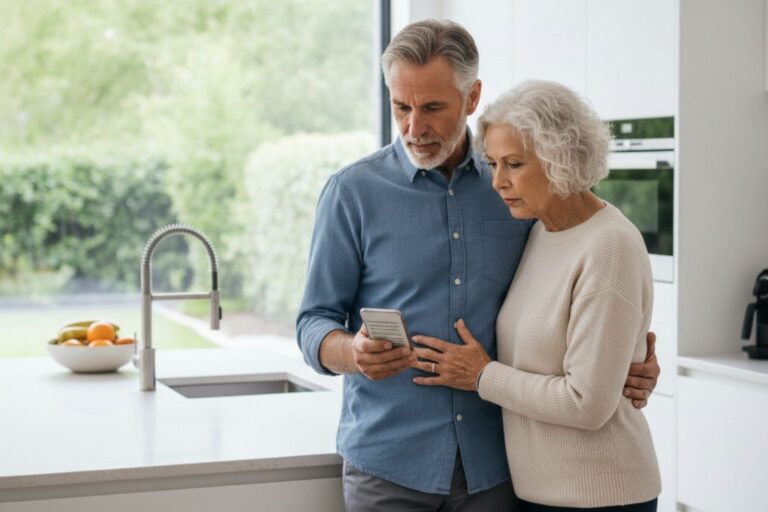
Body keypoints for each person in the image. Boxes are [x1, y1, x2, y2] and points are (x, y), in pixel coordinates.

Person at [296, 19, 660, 512]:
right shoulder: (352, 193)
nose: (413, 128)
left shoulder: (519, 185)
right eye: (401, 106)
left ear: (472, 97)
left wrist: (626, 362)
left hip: (499, 469)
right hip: (390, 462)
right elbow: (313, 321)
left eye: (432, 108)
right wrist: (351, 352)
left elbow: (586, 276)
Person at [411, 80, 661, 511]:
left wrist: (481, 376)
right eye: (492, 164)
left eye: (514, 164)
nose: (498, 182)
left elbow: (586, 404)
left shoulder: (610, 246)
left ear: (560, 158)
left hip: (601, 497)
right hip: (538, 494)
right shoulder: (541, 231)